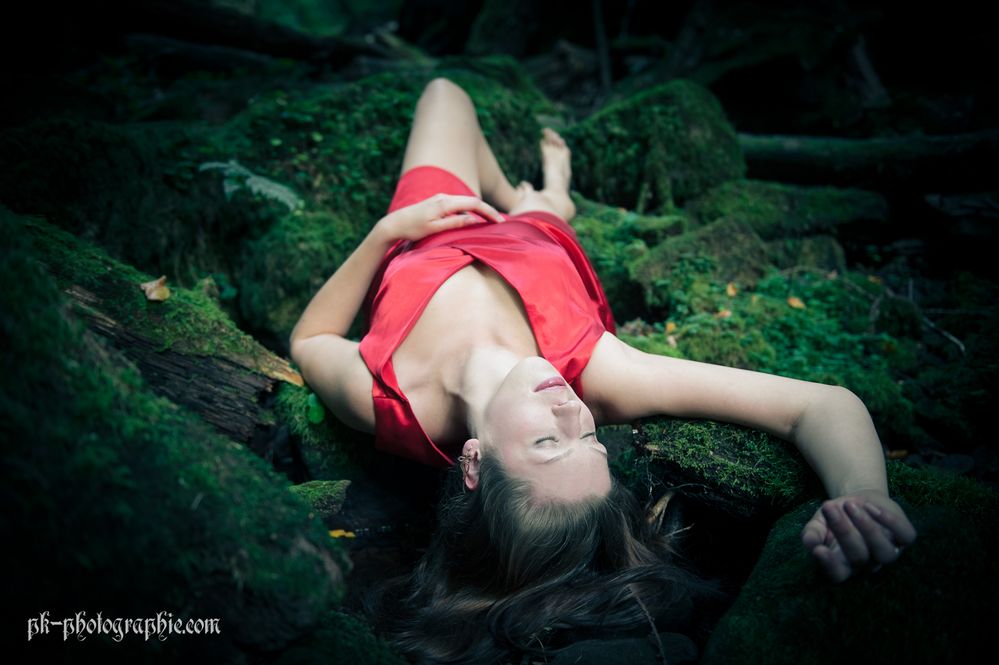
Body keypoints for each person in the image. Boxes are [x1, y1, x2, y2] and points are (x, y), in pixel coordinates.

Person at [289, 78, 917, 662]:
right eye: (590, 439)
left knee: (445, 94)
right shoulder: (602, 372)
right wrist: (865, 496)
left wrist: (386, 232)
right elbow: (819, 404)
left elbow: (310, 338)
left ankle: (536, 196)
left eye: (547, 440)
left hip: (426, 229)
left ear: (475, 462)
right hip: (539, 244)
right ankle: (543, 199)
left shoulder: (389, 400)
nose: (573, 410)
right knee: (539, 206)